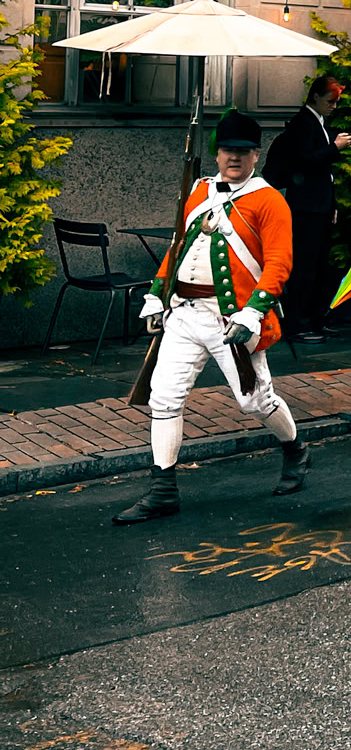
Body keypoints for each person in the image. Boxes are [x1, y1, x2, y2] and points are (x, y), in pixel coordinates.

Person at [116, 110, 306, 524]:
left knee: (255, 401)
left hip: (232, 319)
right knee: (164, 398)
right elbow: (179, 246)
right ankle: (163, 488)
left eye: (241, 151)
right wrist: (156, 293)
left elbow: (279, 263)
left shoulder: (269, 199)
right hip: (184, 313)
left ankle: (295, 450)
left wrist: (254, 313)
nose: (232, 158)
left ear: (255, 155)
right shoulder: (199, 192)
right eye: (226, 150)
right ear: (216, 153)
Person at [258, 74, 351, 343]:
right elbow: (305, 162)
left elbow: (323, 171)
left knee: (318, 265)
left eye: (337, 102)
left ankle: (312, 320)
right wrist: (334, 148)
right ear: (315, 97)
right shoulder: (304, 124)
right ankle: (299, 323)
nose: (334, 106)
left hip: (318, 205)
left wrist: (332, 204)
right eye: (330, 100)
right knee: (305, 266)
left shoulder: (318, 123)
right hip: (306, 207)